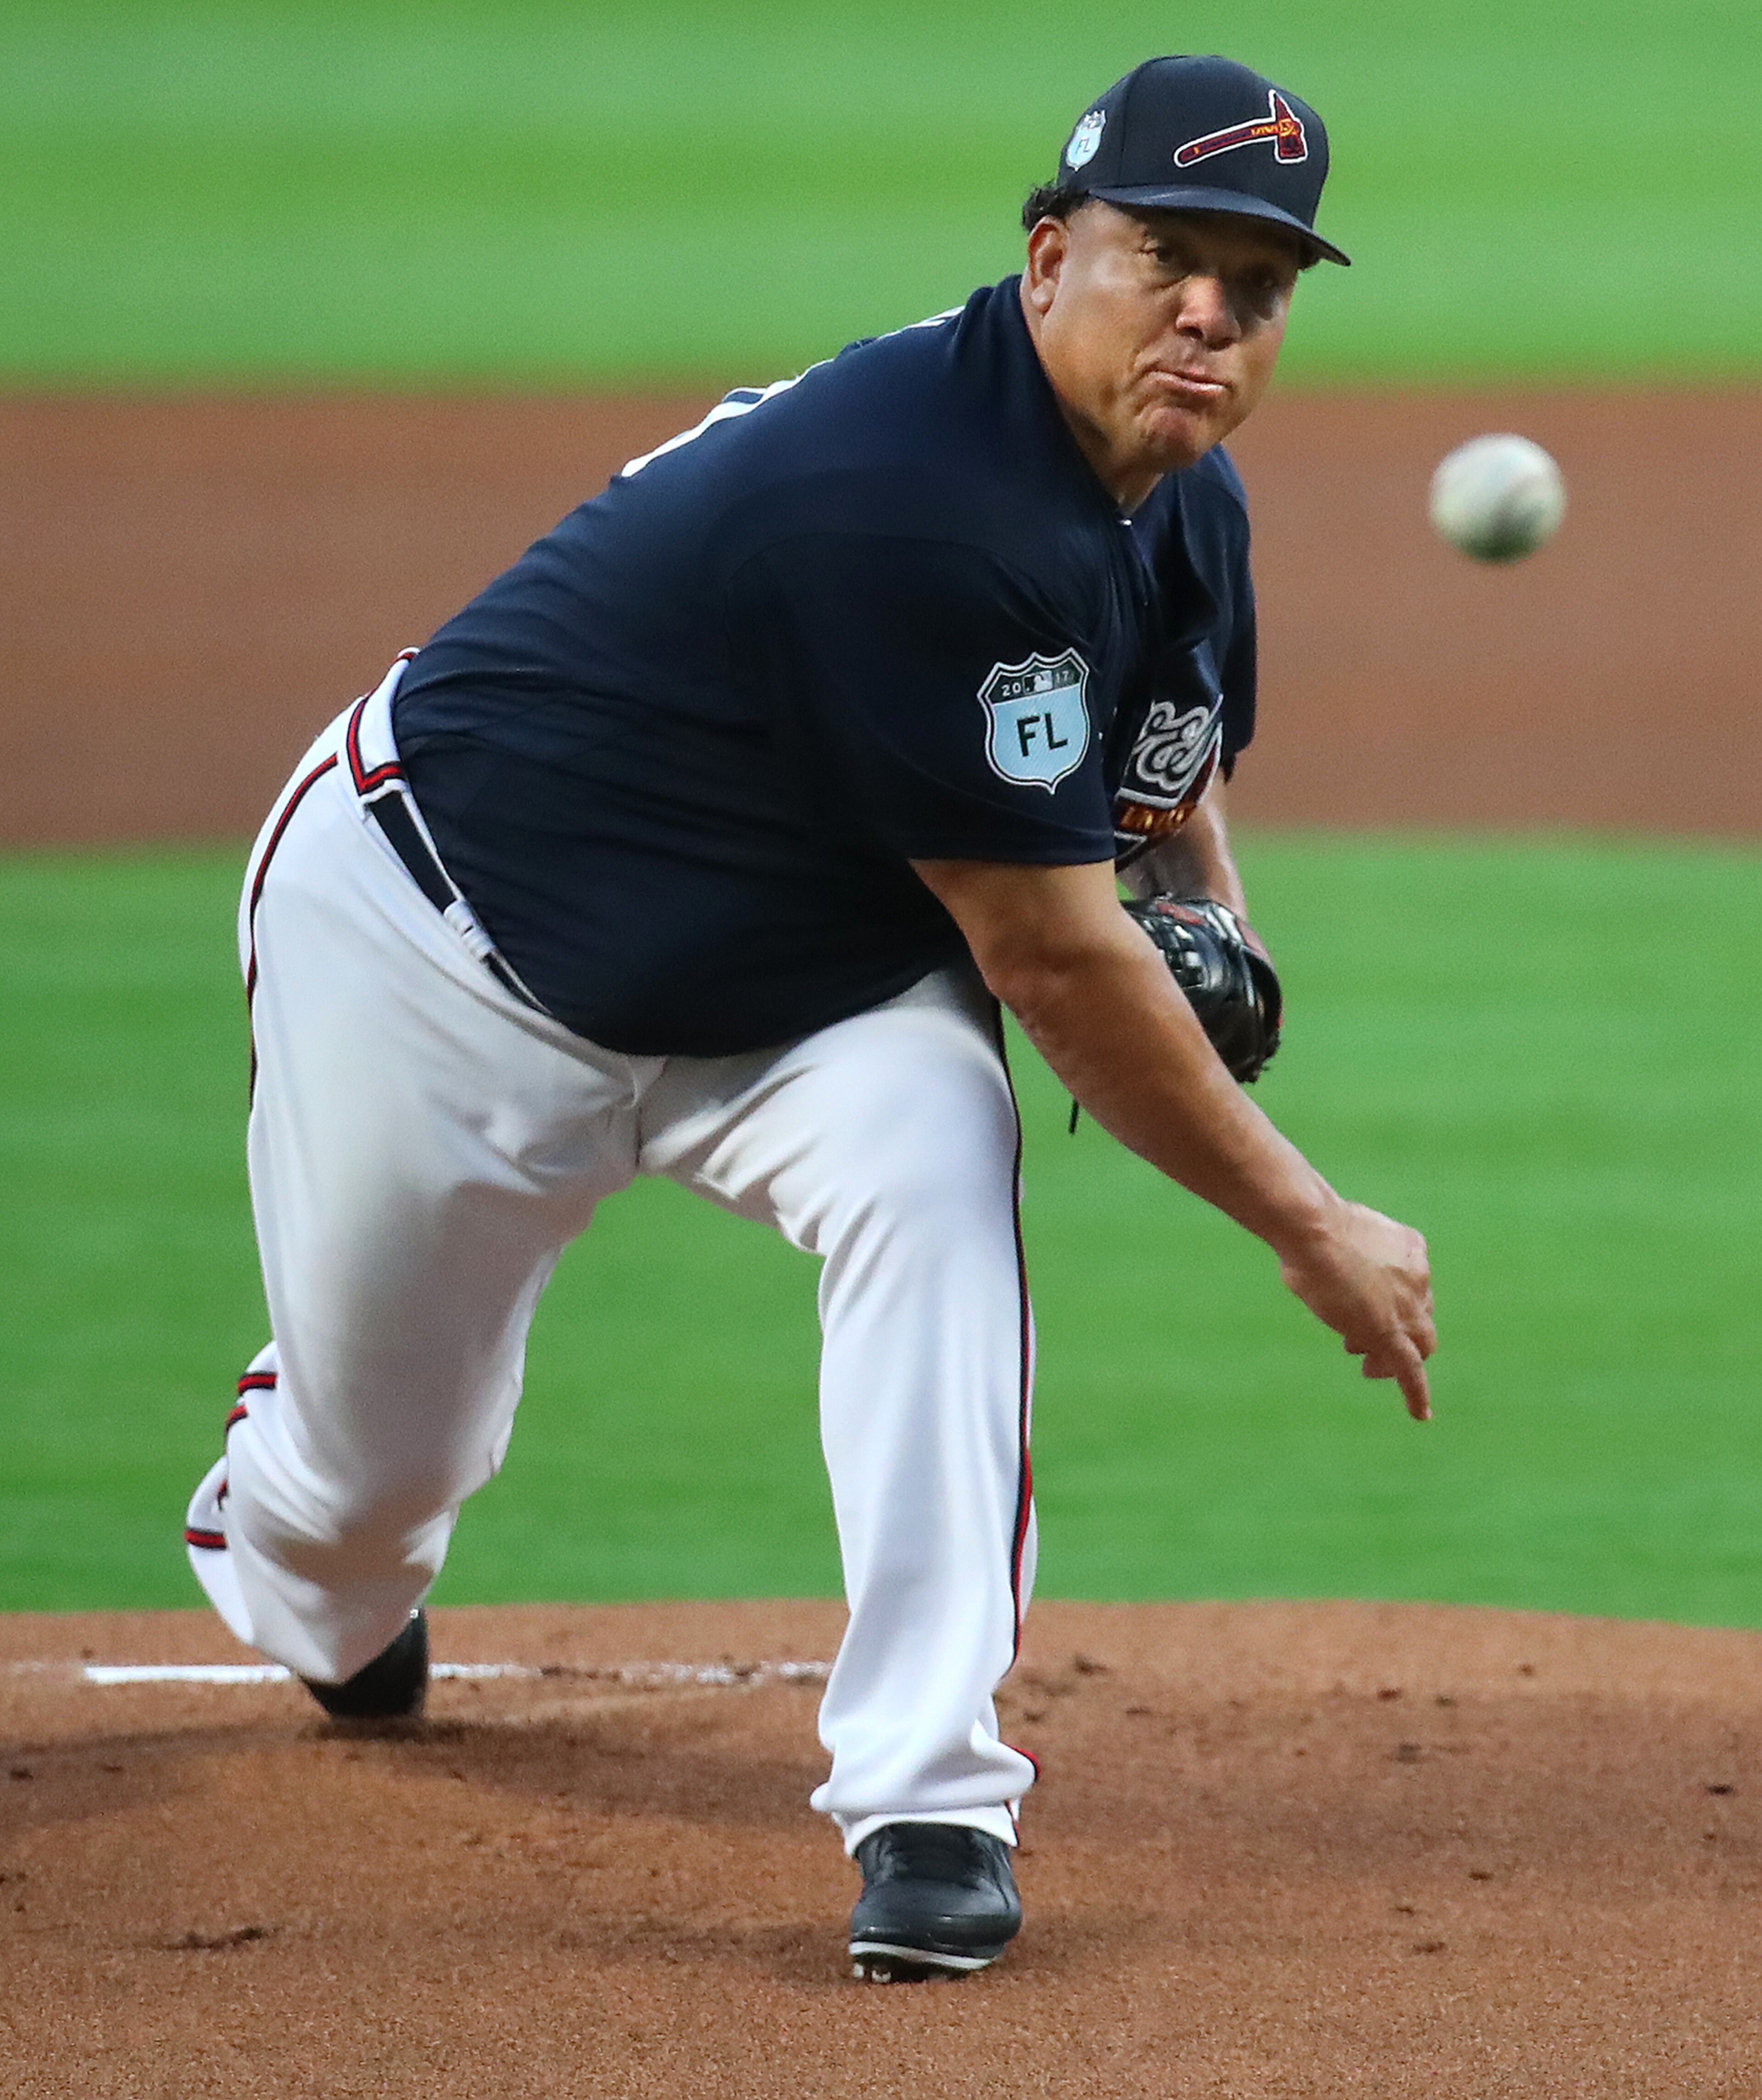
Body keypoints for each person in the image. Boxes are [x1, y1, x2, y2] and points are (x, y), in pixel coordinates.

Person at [184, 54, 1434, 1982]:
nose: (1209, 315)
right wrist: (1309, 1217)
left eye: (1255, 289)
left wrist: (1217, 925)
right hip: (440, 947)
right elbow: (1049, 959)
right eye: (1162, 259)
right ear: (1045, 260)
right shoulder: (914, 502)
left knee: (938, 1163)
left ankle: (930, 1795)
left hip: (804, 996)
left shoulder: (1184, 504)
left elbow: (1150, 764)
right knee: (370, 1495)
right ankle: (314, 1567)